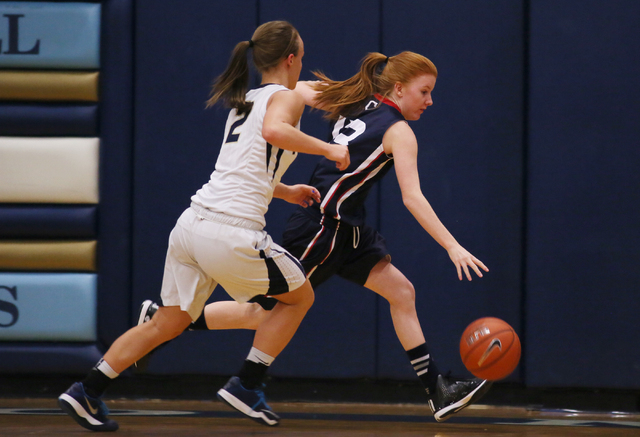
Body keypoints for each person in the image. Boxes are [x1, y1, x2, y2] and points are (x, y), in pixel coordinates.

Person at [140, 51, 491, 422]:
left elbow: (295, 88)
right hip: (321, 227)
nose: (430, 101)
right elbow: (412, 197)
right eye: (425, 92)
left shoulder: (353, 98)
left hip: (349, 230)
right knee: (264, 313)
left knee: (402, 292)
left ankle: (437, 390)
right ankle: (172, 327)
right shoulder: (399, 132)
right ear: (400, 88)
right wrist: (452, 245)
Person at [57, 20, 349, 432]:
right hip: (232, 231)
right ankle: (247, 385)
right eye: (302, 54)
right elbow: (274, 131)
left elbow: (242, 169)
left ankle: (86, 390)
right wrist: (330, 149)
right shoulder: (285, 97)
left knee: (167, 323)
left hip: (192, 225)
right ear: (291, 59)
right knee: (298, 299)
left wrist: (285, 191)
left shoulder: (245, 99)